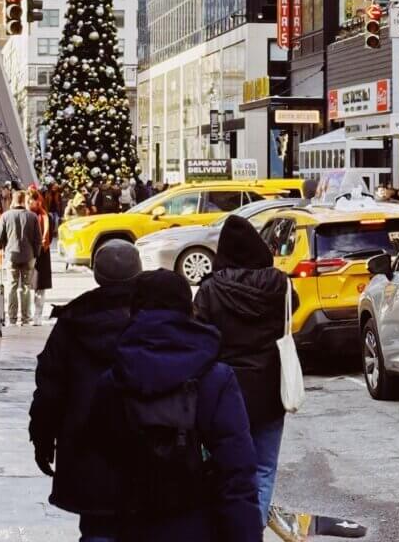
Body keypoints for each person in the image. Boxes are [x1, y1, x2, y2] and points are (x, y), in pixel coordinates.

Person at [94, 270, 263, 542]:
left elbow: (101, 466)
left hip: (133, 523)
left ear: (134, 310)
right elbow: (237, 471)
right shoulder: (216, 377)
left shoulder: (112, 380)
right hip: (198, 523)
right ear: (187, 308)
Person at [29, 241, 143, 541]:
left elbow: (50, 387)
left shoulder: (74, 320)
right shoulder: (153, 317)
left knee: (97, 529)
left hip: (86, 443)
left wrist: (42, 438)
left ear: (96, 274)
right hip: (145, 444)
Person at [194, 215, 298, 528]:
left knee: (224, 467)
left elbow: (200, 338)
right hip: (269, 390)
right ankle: (253, 532)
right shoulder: (280, 284)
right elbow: (290, 314)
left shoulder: (210, 289)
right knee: (264, 467)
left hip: (224, 392)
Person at [0, 189, 43, 326]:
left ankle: (11, 318)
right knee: (26, 287)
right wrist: (35, 254)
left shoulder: (5, 216)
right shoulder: (32, 216)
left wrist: (3, 248)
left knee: (11, 286)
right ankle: (25, 318)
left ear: (13, 200)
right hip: (28, 256)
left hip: (11, 256)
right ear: (24, 201)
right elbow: (38, 239)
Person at [28, 185, 53, 326]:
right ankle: (29, 314)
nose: (34, 203)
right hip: (30, 253)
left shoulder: (45, 216)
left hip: (42, 253)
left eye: (35, 200)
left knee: (40, 286)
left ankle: (37, 315)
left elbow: (48, 237)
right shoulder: (29, 215)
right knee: (28, 285)